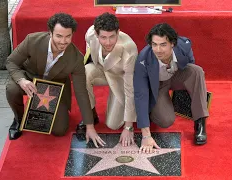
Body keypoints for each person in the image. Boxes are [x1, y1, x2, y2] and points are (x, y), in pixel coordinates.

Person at [6, 13, 105, 148]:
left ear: (72, 35)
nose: (63, 41)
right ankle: (18, 119)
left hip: (55, 87)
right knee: (12, 88)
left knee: (59, 131)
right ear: (50, 33)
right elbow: (11, 62)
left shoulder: (76, 58)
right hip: (30, 77)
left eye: (67, 36)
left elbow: (81, 92)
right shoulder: (32, 40)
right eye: (59, 36)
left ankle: (54, 110)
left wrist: (90, 126)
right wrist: (21, 80)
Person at [134, 23, 209, 153]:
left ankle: (200, 122)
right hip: (157, 86)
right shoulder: (143, 59)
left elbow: (188, 66)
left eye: (163, 44)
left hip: (175, 76)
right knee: (165, 121)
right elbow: (141, 94)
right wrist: (146, 135)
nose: (158, 49)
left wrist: (190, 92)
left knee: (196, 71)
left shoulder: (184, 45)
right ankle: (155, 108)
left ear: (172, 44)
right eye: (154, 44)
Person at [76, 12, 138, 147]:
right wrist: (89, 125)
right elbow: (89, 58)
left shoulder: (129, 49)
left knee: (113, 125)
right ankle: (90, 114)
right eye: (103, 37)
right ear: (96, 34)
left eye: (112, 37)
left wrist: (129, 127)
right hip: (101, 70)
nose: (108, 42)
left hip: (119, 79)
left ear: (118, 32)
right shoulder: (90, 34)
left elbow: (130, 88)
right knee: (84, 73)